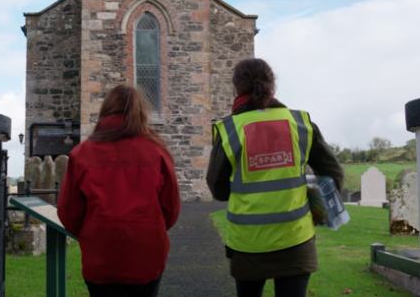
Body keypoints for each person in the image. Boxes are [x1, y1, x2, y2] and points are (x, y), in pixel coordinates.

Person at [207, 58, 344, 297]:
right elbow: (333, 174)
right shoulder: (299, 123)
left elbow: (218, 189)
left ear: (236, 87)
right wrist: (319, 208)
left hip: (247, 245)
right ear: (272, 85)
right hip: (296, 240)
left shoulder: (230, 130)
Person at [57, 84, 180, 297]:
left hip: (100, 255)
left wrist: (92, 234)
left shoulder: (82, 153)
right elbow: (171, 209)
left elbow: (69, 212)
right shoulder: (157, 150)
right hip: (146, 255)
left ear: (106, 110)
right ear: (140, 111)